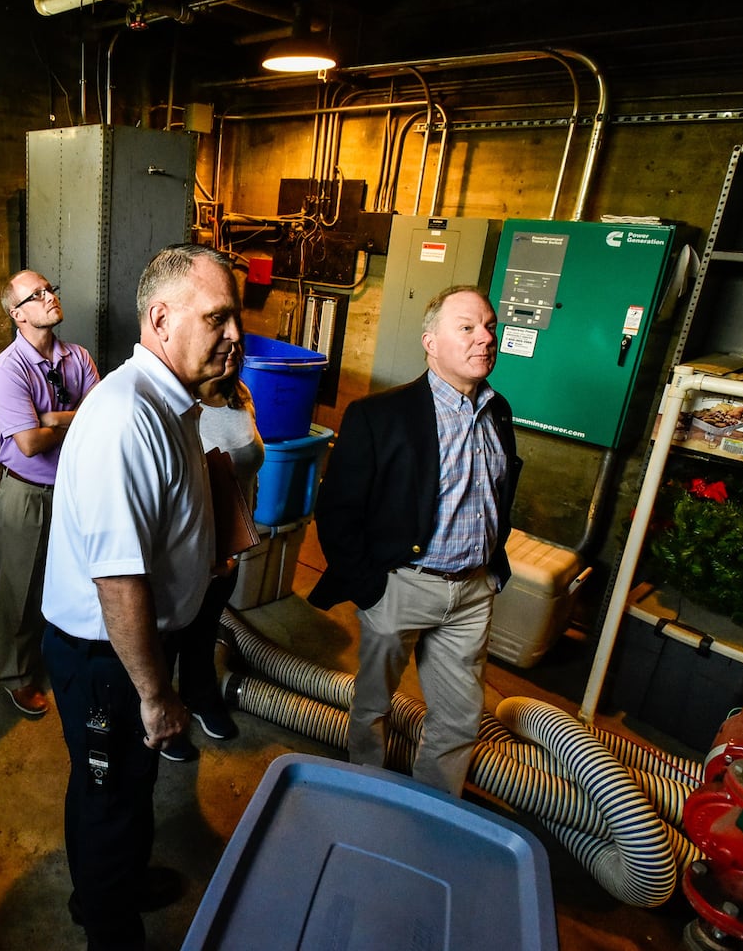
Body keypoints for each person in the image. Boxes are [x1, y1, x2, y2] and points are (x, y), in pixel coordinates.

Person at [40, 242, 242, 950]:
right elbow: (118, 580)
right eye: (217, 318)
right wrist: (156, 694)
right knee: (109, 798)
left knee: (127, 786)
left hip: (136, 649)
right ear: (161, 318)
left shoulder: (171, 401)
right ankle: (109, 928)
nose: (235, 336)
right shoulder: (127, 415)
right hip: (110, 659)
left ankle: (112, 888)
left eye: (234, 318)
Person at [307, 284, 522, 796]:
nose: (484, 338)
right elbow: (337, 510)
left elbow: (496, 494)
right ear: (431, 341)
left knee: (459, 719)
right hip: (401, 586)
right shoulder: (380, 416)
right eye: (467, 327)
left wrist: (489, 571)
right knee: (374, 704)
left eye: (489, 326)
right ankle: (366, 788)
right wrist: (371, 588)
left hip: (471, 591)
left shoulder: (498, 410)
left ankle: (432, 808)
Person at [0, 269, 98, 717]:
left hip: (75, 490)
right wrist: (71, 419)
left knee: (77, 580)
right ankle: (16, 675)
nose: (50, 296)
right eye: (37, 294)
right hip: (28, 494)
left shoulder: (79, 358)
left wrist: (51, 419)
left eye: (50, 288)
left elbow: (100, 418)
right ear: (18, 314)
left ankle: (66, 659)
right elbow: (28, 445)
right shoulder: (7, 369)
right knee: (22, 588)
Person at [161, 343, 262, 762]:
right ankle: (163, 716)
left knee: (204, 630)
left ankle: (200, 698)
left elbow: (245, 473)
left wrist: (235, 541)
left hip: (230, 538)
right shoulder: (180, 404)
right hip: (188, 544)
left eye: (236, 346)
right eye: (222, 345)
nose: (231, 352)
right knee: (170, 635)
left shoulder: (241, 394)